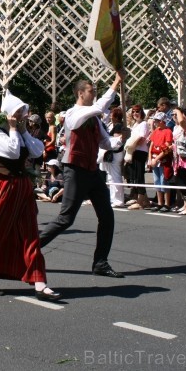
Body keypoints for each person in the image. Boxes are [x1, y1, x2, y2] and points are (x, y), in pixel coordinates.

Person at [0, 90, 62, 301]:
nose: (22, 117)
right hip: (2, 187)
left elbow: (38, 151)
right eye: (19, 113)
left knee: (30, 235)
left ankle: (40, 283)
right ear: (10, 114)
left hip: (21, 187)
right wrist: (12, 129)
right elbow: (10, 152)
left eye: (23, 113)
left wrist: (23, 132)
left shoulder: (20, 134)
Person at [38, 70, 125, 278]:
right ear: (80, 94)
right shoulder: (72, 114)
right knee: (66, 219)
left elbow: (106, 142)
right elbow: (98, 107)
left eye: (94, 90)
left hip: (92, 171)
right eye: (90, 90)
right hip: (75, 169)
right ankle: (29, 249)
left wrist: (121, 140)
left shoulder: (95, 119)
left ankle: (100, 262)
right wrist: (115, 83)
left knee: (107, 216)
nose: (94, 93)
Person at [124, 104, 150, 210]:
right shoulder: (135, 124)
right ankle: (145, 200)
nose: (135, 114)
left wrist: (132, 145)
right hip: (134, 151)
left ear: (141, 113)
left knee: (139, 176)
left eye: (137, 112)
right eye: (133, 112)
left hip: (140, 151)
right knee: (134, 175)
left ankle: (140, 201)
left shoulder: (144, 124)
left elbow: (142, 139)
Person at [99, 107, 126, 208]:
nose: (110, 116)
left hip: (116, 153)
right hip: (112, 153)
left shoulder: (118, 126)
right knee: (110, 177)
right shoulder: (113, 125)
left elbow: (116, 141)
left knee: (115, 176)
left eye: (112, 114)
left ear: (116, 116)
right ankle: (113, 198)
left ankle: (118, 200)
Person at [148, 112, 174, 211]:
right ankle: (160, 202)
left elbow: (167, 148)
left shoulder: (168, 131)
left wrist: (157, 159)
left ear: (163, 121)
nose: (155, 122)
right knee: (156, 180)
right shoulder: (156, 131)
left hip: (163, 159)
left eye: (157, 120)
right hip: (155, 158)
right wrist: (150, 159)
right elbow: (151, 145)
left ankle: (167, 203)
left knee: (164, 180)